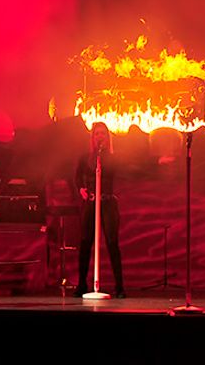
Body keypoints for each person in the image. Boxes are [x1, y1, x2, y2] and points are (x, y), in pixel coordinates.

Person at [74, 122, 125, 298]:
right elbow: (76, 176)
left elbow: (120, 171)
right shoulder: (85, 158)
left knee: (112, 242)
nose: (100, 136)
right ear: (93, 137)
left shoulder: (113, 157)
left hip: (108, 203)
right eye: (97, 134)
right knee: (85, 242)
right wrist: (81, 188)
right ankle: (81, 284)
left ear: (108, 137)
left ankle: (120, 287)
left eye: (103, 133)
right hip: (90, 203)